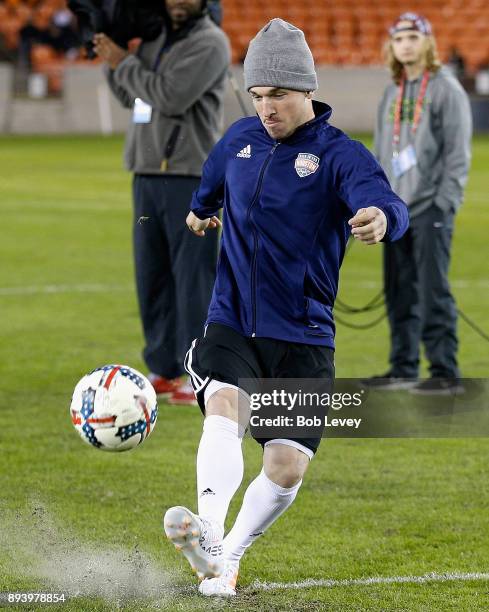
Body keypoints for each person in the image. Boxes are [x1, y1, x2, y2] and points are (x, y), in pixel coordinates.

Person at [162, 18, 409, 596]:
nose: (266, 106)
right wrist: (200, 214)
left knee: (286, 467)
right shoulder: (238, 142)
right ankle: (211, 534)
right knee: (225, 403)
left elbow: (383, 198)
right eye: (257, 95)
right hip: (233, 322)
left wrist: (382, 219)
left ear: (307, 91)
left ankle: (228, 558)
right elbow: (208, 190)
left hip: (303, 333)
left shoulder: (338, 154)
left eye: (278, 94)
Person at [93, 0, 231, 404]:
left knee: (193, 277)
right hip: (147, 173)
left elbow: (170, 96)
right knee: (151, 274)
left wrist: (124, 61)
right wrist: (114, 57)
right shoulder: (152, 40)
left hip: (190, 177)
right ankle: (163, 368)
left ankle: (200, 371)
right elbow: (127, 93)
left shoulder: (211, 43)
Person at [365, 13, 472, 394]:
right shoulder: (392, 91)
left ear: (427, 43)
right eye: (399, 38)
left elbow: (458, 154)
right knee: (398, 291)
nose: (406, 44)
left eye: (413, 37)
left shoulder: (446, 88)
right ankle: (402, 366)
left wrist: (445, 203)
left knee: (432, 290)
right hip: (396, 210)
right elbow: (381, 152)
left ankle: (445, 371)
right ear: (391, 46)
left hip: (430, 208)